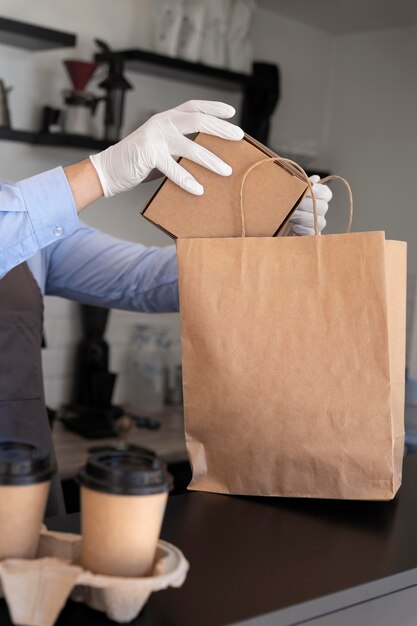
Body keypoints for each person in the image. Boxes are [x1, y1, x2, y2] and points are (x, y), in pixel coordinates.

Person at [0, 100, 332, 516]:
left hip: (24, 478)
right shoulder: (21, 213)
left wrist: (268, 238)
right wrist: (100, 172)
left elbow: (142, 280)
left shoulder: (23, 212)